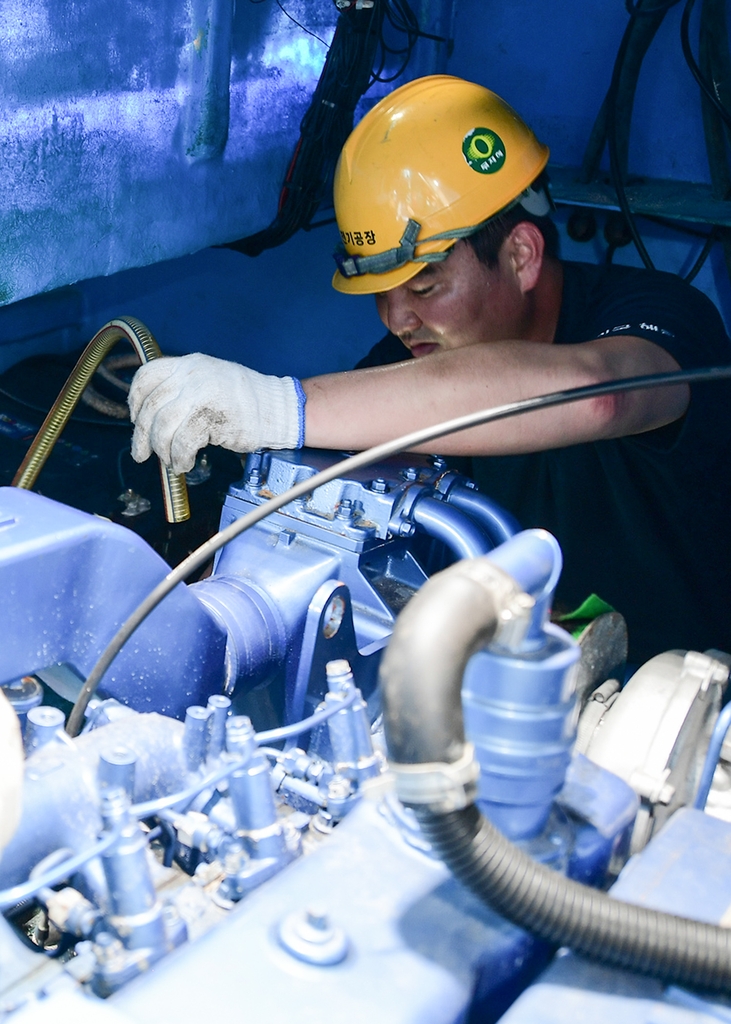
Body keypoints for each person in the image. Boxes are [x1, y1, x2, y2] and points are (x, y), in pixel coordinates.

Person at [128, 75, 731, 664]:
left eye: (424, 284)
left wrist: (276, 407)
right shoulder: (410, 360)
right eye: (380, 291)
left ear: (521, 256)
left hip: (680, 705)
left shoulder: (661, 315)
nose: (396, 320)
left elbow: (602, 395)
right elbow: (322, 495)